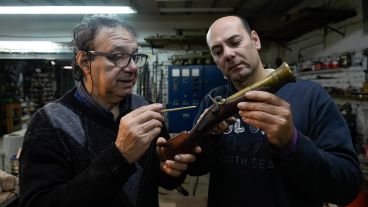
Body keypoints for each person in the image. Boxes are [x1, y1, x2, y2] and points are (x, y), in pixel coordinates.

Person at [19, 15, 199, 207]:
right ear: (85, 61)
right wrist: (120, 156)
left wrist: (172, 170)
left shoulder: (144, 109)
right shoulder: (50, 123)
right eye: (117, 56)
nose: (132, 67)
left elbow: (163, 181)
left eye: (134, 56)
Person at [187, 15, 363, 207]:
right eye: (218, 51)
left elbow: (347, 186)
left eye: (235, 42)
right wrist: (201, 141)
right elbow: (196, 167)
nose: (228, 54)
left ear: (255, 40)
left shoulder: (311, 97)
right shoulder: (213, 101)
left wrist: (292, 142)